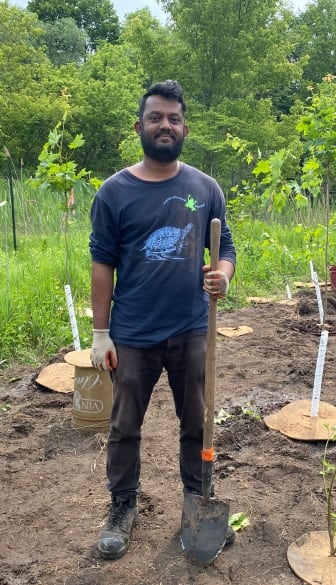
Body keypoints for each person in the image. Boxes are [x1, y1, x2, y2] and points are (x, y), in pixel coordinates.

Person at [88, 80, 237, 561]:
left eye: (173, 118)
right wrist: (100, 332)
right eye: (155, 118)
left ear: (185, 127)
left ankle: (198, 502)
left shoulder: (205, 188)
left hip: (194, 330)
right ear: (140, 126)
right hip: (132, 335)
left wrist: (223, 276)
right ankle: (122, 506)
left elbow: (226, 248)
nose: (165, 125)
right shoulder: (115, 192)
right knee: (124, 426)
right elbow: (102, 264)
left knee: (197, 422)